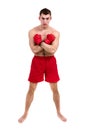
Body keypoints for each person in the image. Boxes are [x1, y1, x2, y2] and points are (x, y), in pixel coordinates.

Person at [18, 8, 67, 123]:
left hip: (50, 61)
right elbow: (33, 50)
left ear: (50, 19)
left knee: (55, 88)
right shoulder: (32, 32)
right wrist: (46, 44)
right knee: (31, 88)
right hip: (37, 61)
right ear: (39, 18)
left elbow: (53, 50)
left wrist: (40, 42)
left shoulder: (56, 32)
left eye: (47, 18)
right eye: (43, 18)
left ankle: (58, 112)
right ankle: (25, 113)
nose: (45, 21)